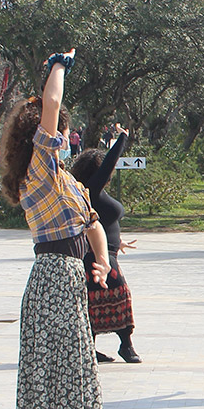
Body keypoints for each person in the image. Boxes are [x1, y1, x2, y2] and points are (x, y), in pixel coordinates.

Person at [1, 50, 114, 409]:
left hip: (64, 280)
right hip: (54, 280)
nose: (67, 137)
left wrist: (103, 261)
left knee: (48, 380)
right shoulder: (40, 170)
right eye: (62, 131)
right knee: (72, 382)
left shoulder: (63, 180)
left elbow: (92, 224)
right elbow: (51, 101)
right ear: (42, 137)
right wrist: (59, 66)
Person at [69, 124, 142, 364]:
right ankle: (125, 346)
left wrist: (118, 241)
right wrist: (122, 138)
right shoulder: (90, 190)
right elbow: (110, 162)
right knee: (117, 294)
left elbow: (105, 221)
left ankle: (111, 346)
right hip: (96, 256)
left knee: (99, 299)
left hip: (110, 252)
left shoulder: (94, 195)